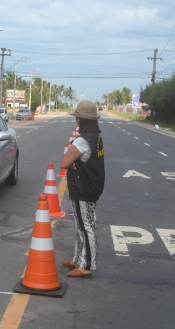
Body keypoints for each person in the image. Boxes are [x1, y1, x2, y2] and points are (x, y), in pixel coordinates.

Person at [60, 100, 105, 278]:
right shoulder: (97, 137)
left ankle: (86, 265)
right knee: (82, 225)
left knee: (86, 227)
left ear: (82, 120)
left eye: (77, 118)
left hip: (83, 188)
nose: (76, 121)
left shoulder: (82, 141)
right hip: (92, 186)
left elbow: (64, 162)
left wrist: (72, 163)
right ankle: (78, 259)